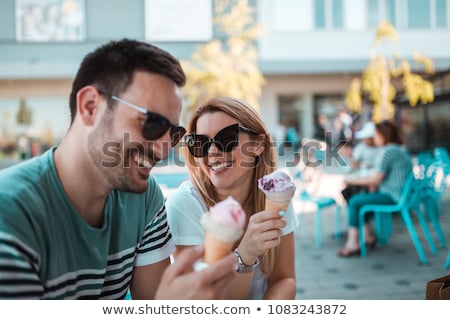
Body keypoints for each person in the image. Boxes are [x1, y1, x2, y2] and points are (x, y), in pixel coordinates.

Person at [0, 39, 236, 299]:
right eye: (153, 124)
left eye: (174, 133)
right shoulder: (10, 214)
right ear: (90, 106)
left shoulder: (145, 198)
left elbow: (153, 304)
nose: (164, 150)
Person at [166, 97, 297, 299]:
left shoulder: (276, 195)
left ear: (258, 145)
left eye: (227, 138)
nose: (212, 152)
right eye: (200, 143)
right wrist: (245, 255)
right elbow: (205, 304)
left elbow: (284, 279)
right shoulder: (184, 205)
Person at [337, 120, 412, 257]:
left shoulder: (389, 150)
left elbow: (375, 179)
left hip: (393, 196)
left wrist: (350, 180)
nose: (374, 138)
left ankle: (354, 242)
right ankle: (367, 235)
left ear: (383, 135)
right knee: (357, 198)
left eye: (376, 134)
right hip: (400, 193)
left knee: (355, 201)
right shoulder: (398, 149)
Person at [340, 121, 381, 203]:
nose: (365, 140)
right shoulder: (361, 148)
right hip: (364, 176)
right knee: (348, 188)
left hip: (375, 179)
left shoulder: (382, 149)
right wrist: (351, 158)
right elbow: (351, 165)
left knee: (371, 187)